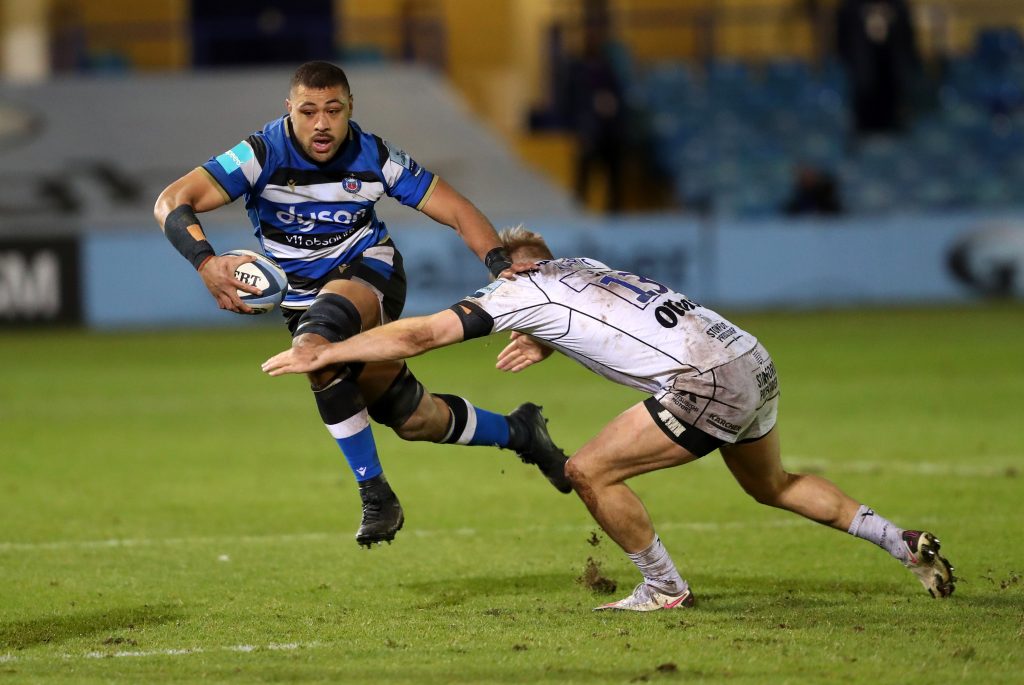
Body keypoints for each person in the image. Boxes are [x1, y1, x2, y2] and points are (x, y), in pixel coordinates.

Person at [261, 226, 957, 610]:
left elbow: (417, 337)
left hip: (703, 379)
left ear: (511, 269)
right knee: (771, 483)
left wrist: (328, 348)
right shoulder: (581, 264)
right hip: (750, 355)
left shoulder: (518, 290)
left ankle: (663, 588)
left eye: (501, 271)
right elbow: (603, 319)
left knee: (587, 469)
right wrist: (547, 336)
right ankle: (901, 541)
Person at [153, 61, 571, 549]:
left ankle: (375, 493)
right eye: (308, 111)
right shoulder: (261, 154)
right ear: (289, 110)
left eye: (333, 110)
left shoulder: (376, 157)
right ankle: (522, 432)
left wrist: (500, 267)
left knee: (314, 348)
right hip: (303, 299)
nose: (322, 123)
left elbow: (457, 210)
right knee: (412, 418)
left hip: (370, 273)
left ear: (351, 108)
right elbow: (172, 199)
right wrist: (205, 262)